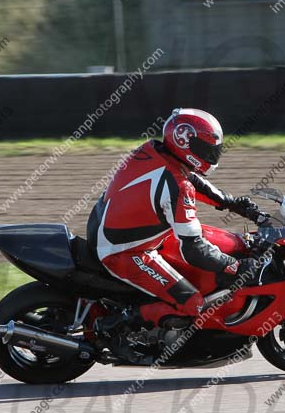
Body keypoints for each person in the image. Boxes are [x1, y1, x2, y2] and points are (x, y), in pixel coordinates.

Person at [86, 108, 264, 334]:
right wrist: (236, 266)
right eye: (206, 148)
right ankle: (110, 327)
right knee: (193, 305)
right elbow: (194, 250)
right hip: (124, 251)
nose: (211, 154)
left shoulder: (154, 151)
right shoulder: (178, 187)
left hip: (108, 226)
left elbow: (192, 181)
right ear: (184, 141)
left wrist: (236, 204)